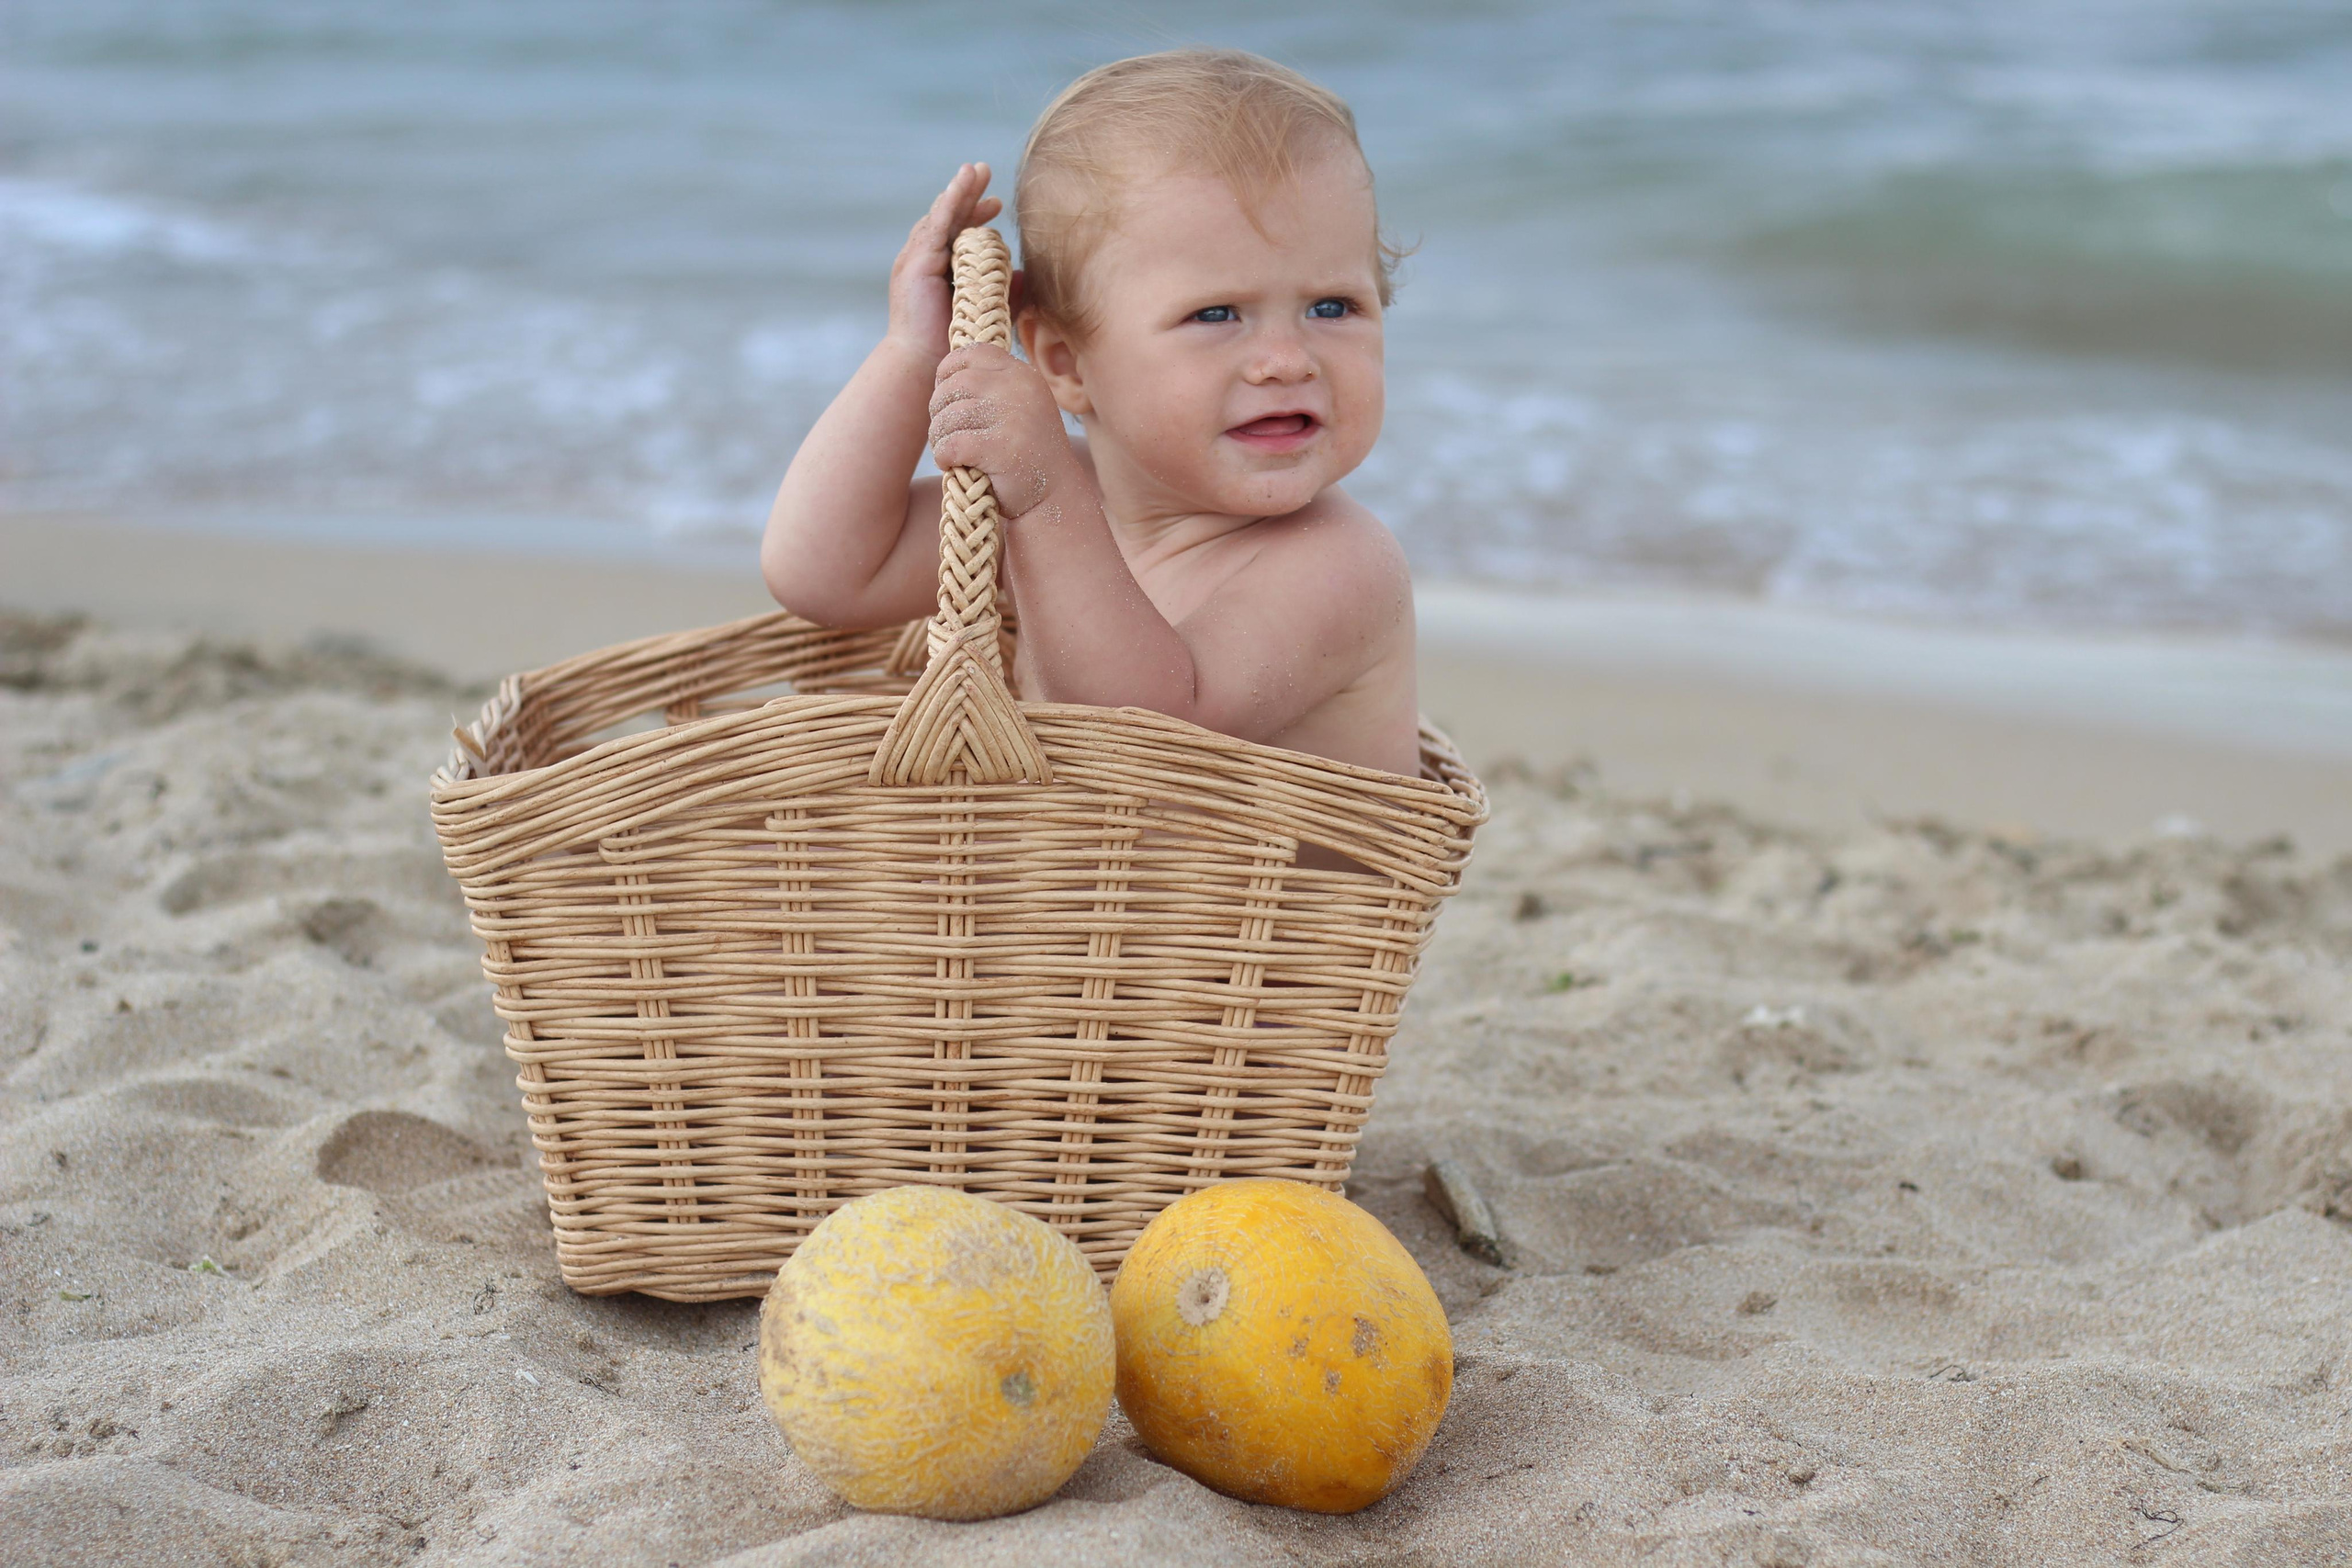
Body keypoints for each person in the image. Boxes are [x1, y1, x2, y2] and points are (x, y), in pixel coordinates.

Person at [762, 49, 1419, 786]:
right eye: (1217, 314)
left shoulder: (1342, 562)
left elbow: (1148, 733)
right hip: (1089, 867)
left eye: (1332, 306)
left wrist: (1044, 497)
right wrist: (914, 350)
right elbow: (827, 572)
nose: (1287, 361)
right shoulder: (1067, 494)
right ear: (1067, 364)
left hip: (1272, 870)